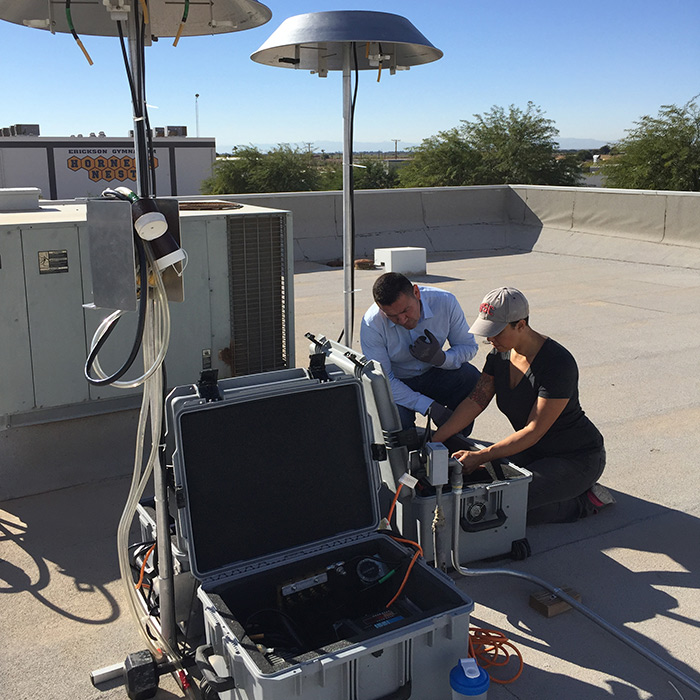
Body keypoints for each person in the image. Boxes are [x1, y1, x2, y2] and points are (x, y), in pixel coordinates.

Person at [432, 287, 613, 524]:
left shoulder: (557, 363)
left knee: (508, 506)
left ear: (521, 325)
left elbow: (533, 430)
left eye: (496, 332)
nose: (490, 339)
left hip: (576, 456)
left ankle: (584, 500)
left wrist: (482, 454)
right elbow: (475, 401)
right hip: (532, 451)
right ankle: (556, 486)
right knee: (481, 485)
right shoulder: (499, 354)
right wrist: (436, 439)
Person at [360, 272, 480, 431]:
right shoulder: (372, 323)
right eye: (392, 316)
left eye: (405, 310)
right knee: (396, 424)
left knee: (471, 377)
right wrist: (430, 407)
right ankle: (407, 444)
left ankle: (456, 436)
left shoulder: (445, 302)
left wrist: (442, 359)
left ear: (416, 293)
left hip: (435, 372)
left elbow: (469, 346)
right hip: (398, 381)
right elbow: (384, 380)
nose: (402, 320)